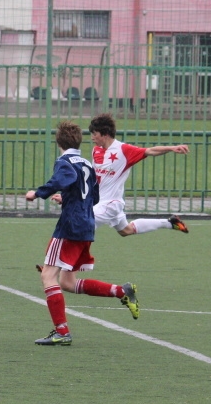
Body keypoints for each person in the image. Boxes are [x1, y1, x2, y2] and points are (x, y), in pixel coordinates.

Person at [26, 121, 140, 347]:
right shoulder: (87, 163)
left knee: (48, 276)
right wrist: (67, 198)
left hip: (70, 227)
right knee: (67, 282)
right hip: (86, 225)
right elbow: (94, 196)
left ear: (59, 142)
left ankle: (62, 332)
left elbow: (61, 179)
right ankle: (121, 291)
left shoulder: (65, 161)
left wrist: (38, 193)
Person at [87, 113, 190, 237]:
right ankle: (169, 223)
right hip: (99, 201)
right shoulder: (96, 150)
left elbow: (150, 151)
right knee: (126, 230)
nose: (92, 137)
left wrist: (172, 148)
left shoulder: (123, 150)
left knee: (85, 223)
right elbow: (92, 179)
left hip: (111, 203)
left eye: (95, 134)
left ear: (105, 134)